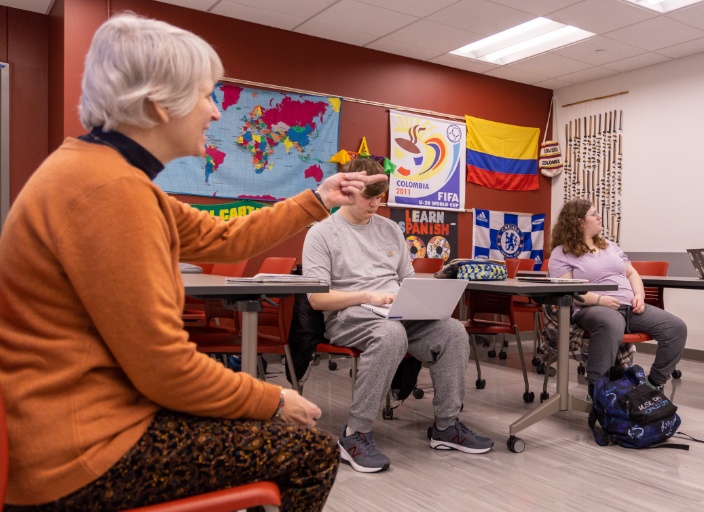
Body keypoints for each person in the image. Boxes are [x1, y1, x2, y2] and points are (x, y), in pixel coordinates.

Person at [0, 13, 388, 510]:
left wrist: (318, 196)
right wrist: (273, 399)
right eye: (207, 95)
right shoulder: (111, 190)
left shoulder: (102, 172)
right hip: (82, 455)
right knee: (310, 452)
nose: (214, 112)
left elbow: (226, 238)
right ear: (161, 104)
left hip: (71, 432)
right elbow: (165, 368)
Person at [302, 157, 493, 474]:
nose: (376, 204)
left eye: (381, 197)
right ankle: (355, 434)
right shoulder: (321, 233)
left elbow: (409, 280)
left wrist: (424, 299)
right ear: (348, 190)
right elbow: (318, 299)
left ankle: (446, 427)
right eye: (369, 197)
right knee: (391, 334)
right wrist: (368, 296)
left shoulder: (391, 230)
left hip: (397, 310)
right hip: (350, 313)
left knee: (453, 331)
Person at [547, 199, 687, 390]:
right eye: (594, 214)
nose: (599, 217)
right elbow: (566, 291)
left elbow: (631, 273)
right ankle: (597, 391)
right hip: (592, 308)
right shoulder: (562, 252)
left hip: (630, 306)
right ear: (579, 221)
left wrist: (639, 295)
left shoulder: (610, 246)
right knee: (611, 322)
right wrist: (599, 300)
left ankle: (653, 384)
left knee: (676, 328)